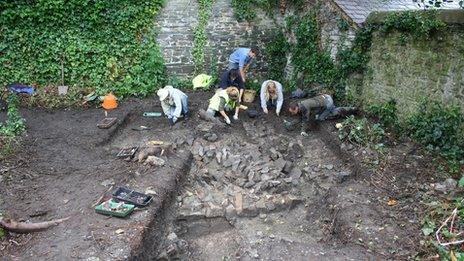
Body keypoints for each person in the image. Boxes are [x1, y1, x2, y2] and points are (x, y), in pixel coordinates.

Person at [288, 94, 356, 136]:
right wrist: (291, 123)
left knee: (321, 118)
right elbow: (301, 117)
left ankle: (349, 110)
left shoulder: (305, 107)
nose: (292, 113)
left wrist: (303, 131)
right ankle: (338, 109)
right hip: (324, 98)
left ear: (296, 108)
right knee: (317, 115)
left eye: (293, 112)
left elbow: (305, 120)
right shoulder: (300, 104)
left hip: (328, 102)